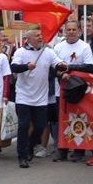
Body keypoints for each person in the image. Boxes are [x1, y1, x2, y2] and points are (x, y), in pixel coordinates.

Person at [10, 26, 62, 169]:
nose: (40, 37)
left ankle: (29, 147)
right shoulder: (21, 52)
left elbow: (57, 63)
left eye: (41, 35)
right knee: (24, 125)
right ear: (28, 39)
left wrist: (63, 66)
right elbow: (13, 67)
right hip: (23, 96)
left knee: (40, 126)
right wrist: (27, 66)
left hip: (41, 97)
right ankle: (22, 156)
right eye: (37, 35)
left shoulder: (48, 52)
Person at [52, 19, 93, 162]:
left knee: (78, 119)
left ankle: (78, 149)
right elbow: (53, 68)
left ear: (79, 31)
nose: (71, 32)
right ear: (65, 31)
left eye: (73, 29)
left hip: (78, 89)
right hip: (61, 90)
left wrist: (70, 68)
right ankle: (62, 149)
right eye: (68, 29)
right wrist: (61, 73)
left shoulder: (85, 47)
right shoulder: (58, 47)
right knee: (61, 120)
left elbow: (89, 66)